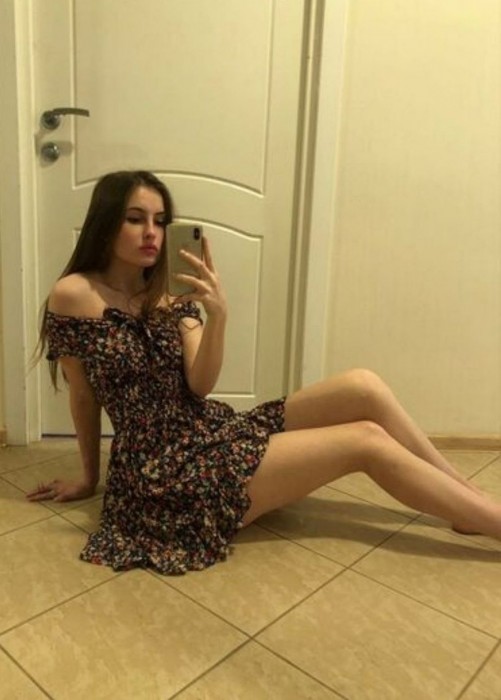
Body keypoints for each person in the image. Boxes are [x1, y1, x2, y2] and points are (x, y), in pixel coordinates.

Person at [29, 170, 501, 575]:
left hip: (209, 431)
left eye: (160, 221)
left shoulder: (171, 292)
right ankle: (492, 520)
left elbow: (200, 385)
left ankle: (467, 498)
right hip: (163, 472)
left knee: (364, 386)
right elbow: (83, 395)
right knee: (366, 440)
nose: (151, 232)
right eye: (135, 219)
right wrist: (89, 477)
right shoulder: (73, 295)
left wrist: (218, 315)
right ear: (106, 221)